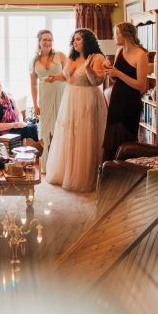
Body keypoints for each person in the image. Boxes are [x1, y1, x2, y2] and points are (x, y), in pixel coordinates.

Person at [46, 28, 107, 192]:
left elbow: (98, 82)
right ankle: (66, 173)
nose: (75, 42)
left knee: (83, 137)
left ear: (87, 41)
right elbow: (67, 76)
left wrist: (88, 69)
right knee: (68, 134)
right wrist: (55, 78)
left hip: (86, 99)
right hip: (70, 98)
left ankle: (82, 177)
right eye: (74, 39)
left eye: (78, 39)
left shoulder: (97, 57)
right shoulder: (72, 56)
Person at [102, 22, 149, 162]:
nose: (114, 37)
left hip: (130, 104)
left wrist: (118, 73)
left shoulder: (141, 55)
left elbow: (141, 86)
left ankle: (124, 172)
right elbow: (116, 78)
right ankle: (110, 173)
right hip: (116, 101)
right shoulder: (119, 51)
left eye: (116, 34)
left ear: (126, 35)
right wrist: (110, 70)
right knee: (111, 139)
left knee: (125, 141)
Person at [30, 29, 66, 173]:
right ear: (39, 42)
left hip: (61, 93)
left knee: (60, 128)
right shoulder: (34, 61)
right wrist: (34, 104)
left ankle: (61, 164)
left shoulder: (60, 56)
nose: (47, 42)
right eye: (44, 39)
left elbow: (70, 73)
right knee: (45, 130)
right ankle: (46, 164)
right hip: (44, 96)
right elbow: (32, 84)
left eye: (50, 39)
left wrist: (57, 76)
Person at [0, 78, 40, 145]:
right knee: (29, 129)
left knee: (33, 127)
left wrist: (20, 122)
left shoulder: (9, 96)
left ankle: (33, 152)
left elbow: (18, 113)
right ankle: (33, 151)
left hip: (13, 127)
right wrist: (15, 125)